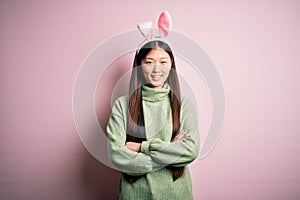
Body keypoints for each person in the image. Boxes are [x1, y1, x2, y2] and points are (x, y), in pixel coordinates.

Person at [107, 11, 200, 200]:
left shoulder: (184, 105)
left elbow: (190, 150)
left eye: (163, 62)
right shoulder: (122, 106)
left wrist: (143, 147)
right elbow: (117, 154)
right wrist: (170, 151)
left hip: (176, 194)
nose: (157, 69)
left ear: (171, 65)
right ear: (139, 66)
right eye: (149, 62)